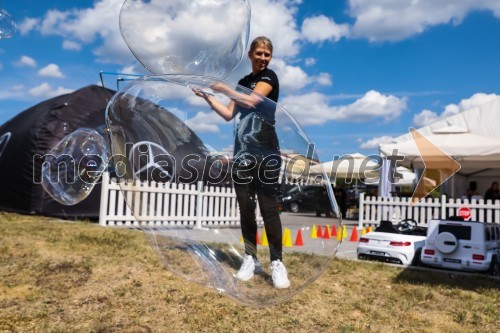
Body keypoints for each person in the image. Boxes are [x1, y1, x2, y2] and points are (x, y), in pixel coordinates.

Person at [193, 36, 290, 289]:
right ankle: (251, 258)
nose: (263, 58)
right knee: (245, 207)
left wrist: (223, 89)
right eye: (259, 53)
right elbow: (228, 114)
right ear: (250, 54)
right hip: (243, 151)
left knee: (269, 208)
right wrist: (207, 97)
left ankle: (277, 263)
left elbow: (251, 101)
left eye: (267, 54)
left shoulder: (270, 78)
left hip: (267, 149)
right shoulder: (242, 83)